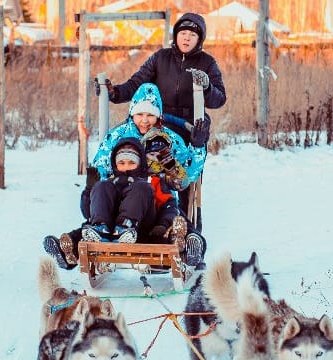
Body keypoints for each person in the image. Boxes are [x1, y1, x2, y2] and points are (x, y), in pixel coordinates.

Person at [43, 83, 207, 270]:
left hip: (157, 197)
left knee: (174, 220)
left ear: (158, 115)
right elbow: (100, 172)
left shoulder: (168, 139)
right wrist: (95, 191)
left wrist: (197, 145)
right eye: (140, 114)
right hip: (121, 200)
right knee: (99, 221)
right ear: (131, 113)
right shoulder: (117, 136)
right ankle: (70, 250)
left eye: (150, 115)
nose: (144, 120)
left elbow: (186, 176)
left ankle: (192, 248)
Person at [98, 12, 226, 216]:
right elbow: (137, 83)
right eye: (183, 33)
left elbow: (219, 99)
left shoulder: (207, 63)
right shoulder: (160, 58)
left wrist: (208, 86)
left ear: (199, 39)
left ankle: (185, 218)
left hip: (189, 126)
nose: (186, 38)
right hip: (157, 121)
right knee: (138, 155)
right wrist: (115, 93)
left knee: (180, 172)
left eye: (192, 35)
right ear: (175, 35)